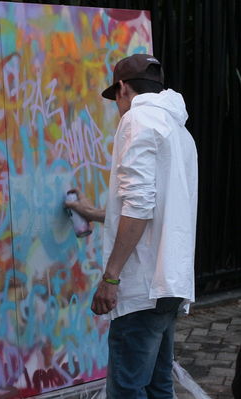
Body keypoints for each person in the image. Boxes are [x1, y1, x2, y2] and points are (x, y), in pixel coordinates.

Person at [65, 53, 198, 398]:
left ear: (123, 88)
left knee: (127, 389)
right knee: (157, 385)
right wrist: (93, 213)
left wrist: (110, 278)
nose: (118, 108)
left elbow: (140, 207)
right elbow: (156, 205)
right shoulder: (178, 130)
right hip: (170, 283)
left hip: (142, 287)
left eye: (116, 99)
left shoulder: (136, 121)